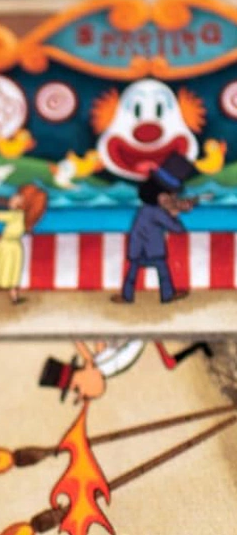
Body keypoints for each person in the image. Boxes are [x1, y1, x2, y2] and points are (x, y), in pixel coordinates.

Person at [118, 153, 197, 304]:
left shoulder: (146, 209)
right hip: (152, 250)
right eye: (171, 195)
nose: (173, 198)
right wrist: (174, 213)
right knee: (163, 273)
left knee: (132, 272)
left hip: (137, 248)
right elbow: (177, 229)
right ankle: (167, 295)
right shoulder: (157, 212)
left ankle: (127, 296)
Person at [40, 339, 213, 403]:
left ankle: (200, 342)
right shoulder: (100, 364)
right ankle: (200, 344)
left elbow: (90, 353)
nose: (83, 394)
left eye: (78, 389)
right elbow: (94, 351)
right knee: (168, 363)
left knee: (169, 363)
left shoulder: (101, 365)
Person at [0, 183, 48, 305]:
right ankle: (11, 298)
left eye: (17, 196)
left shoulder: (16, 215)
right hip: (12, 247)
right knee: (10, 272)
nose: (12, 198)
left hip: (6, 246)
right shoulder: (24, 217)